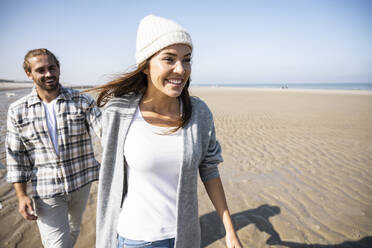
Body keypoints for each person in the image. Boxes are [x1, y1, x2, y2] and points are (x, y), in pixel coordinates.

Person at [91, 15, 243, 248]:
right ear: (145, 65)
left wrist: (230, 231)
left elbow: (209, 169)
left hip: (184, 238)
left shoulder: (199, 113)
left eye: (187, 59)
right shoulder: (119, 112)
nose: (180, 70)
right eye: (169, 59)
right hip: (134, 239)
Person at [6, 48, 102, 248]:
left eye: (52, 68)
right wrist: (21, 195)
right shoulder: (17, 111)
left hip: (81, 181)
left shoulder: (82, 101)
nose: (48, 74)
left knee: (74, 228)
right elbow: (16, 157)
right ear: (29, 73)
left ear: (59, 69)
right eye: (41, 70)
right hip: (47, 190)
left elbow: (106, 133)